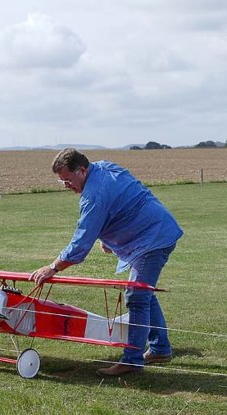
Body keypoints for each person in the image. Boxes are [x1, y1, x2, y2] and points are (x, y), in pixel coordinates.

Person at [30, 148, 183, 376]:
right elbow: (126, 197)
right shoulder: (103, 167)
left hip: (153, 238)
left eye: (68, 180)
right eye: (61, 181)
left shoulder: (94, 196)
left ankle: (131, 361)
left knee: (137, 295)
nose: (66, 186)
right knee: (144, 293)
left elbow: (81, 244)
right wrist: (109, 237)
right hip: (156, 229)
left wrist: (52, 267)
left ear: (82, 170)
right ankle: (160, 348)